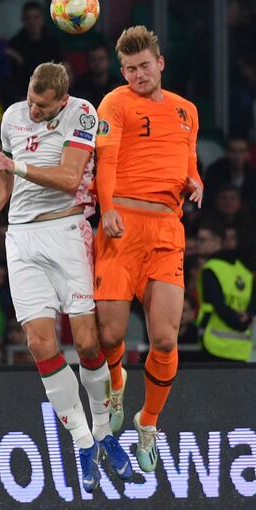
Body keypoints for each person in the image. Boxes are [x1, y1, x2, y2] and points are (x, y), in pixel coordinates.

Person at [0, 62, 132, 490]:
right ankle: (83, 442)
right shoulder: (13, 117)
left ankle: (103, 431)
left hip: (66, 229)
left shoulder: (82, 112)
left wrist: (16, 166)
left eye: (43, 107)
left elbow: (71, 177)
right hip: (21, 239)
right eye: (31, 101)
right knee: (39, 344)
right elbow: (3, 180)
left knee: (87, 341)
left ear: (62, 99)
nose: (34, 111)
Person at [93, 25, 203, 472]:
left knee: (164, 337)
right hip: (121, 223)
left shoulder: (186, 111)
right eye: (130, 68)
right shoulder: (114, 103)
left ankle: (148, 421)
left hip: (165, 231)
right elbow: (108, 160)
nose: (138, 74)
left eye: (145, 66)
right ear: (123, 71)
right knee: (111, 335)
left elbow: (189, 161)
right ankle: (116, 383)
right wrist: (106, 210)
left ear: (160, 63)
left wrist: (196, 181)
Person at [196, 219, 255, 362]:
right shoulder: (244, 270)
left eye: (203, 240)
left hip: (213, 342)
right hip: (241, 344)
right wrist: (243, 321)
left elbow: (217, 304)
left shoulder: (211, 268)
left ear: (218, 241)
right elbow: (253, 304)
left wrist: (235, 321)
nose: (199, 244)